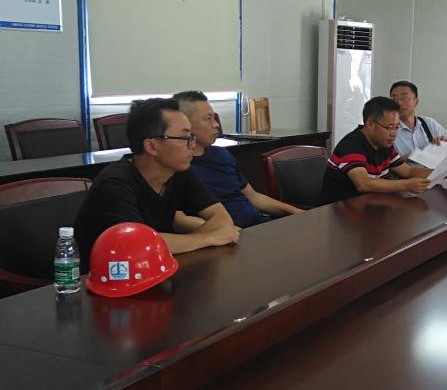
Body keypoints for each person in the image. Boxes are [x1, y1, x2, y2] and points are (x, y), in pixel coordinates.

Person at [75, 97, 239, 267]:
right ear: (151, 146)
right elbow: (137, 245)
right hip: (106, 276)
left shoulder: (179, 171)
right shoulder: (114, 183)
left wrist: (185, 241)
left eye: (192, 136)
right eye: (184, 137)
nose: (192, 144)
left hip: (152, 268)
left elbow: (222, 219)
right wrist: (208, 238)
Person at [172, 90, 302, 226]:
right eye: (208, 119)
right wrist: (226, 231)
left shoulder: (221, 154)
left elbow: (252, 196)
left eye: (214, 118)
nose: (216, 124)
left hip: (258, 224)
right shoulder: (177, 166)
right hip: (225, 233)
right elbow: (179, 219)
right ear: (185, 124)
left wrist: (296, 212)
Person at [322, 96, 433, 202]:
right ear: (370, 124)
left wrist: (438, 172)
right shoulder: (351, 145)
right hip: (340, 209)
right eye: (389, 127)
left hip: (372, 204)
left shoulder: (384, 144)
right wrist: (407, 185)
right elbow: (363, 184)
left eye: (397, 127)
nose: (394, 133)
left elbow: (408, 172)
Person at [389, 80, 447, 160]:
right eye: (394, 99)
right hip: (406, 168)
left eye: (404, 98)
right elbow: (387, 162)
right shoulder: (388, 130)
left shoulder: (428, 123)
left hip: (434, 167)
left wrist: (444, 146)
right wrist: (422, 153)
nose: (399, 102)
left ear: (416, 102)